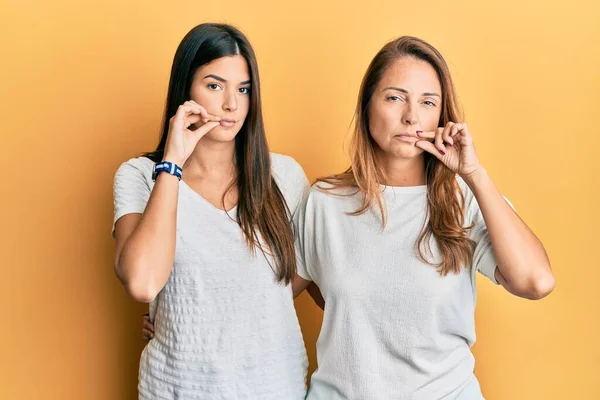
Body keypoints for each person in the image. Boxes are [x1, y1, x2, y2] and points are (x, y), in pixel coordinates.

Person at [291, 36, 556, 399]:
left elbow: (536, 282)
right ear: (368, 105)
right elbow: (272, 296)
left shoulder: (463, 200)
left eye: (427, 102)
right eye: (395, 97)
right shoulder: (324, 202)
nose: (411, 116)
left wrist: (474, 174)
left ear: (441, 116)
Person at [113, 23, 310, 399]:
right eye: (214, 85)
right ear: (185, 88)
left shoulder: (283, 175)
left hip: (273, 385)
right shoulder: (139, 175)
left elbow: (311, 272)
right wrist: (171, 162)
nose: (231, 105)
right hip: (178, 387)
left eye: (243, 89)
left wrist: (220, 306)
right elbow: (141, 283)